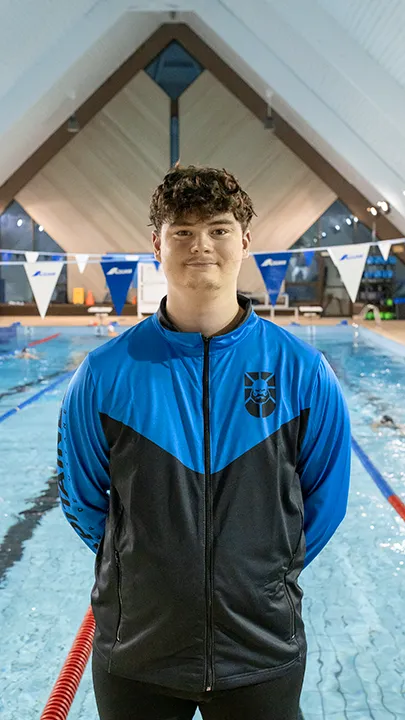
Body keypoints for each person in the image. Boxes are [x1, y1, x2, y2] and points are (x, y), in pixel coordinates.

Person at [57, 165, 352, 720]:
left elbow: (326, 501)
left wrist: (260, 580)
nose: (201, 246)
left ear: (244, 241)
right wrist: (145, 572)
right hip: (136, 652)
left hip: (261, 653)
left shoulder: (302, 372)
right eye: (182, 232)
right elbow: (82, 500)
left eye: (218, 229)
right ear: (157, 245)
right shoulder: (103, 375)